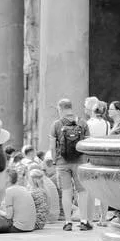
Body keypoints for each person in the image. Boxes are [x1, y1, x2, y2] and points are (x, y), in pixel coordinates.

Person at [50, 98, 90, 230]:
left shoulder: (56, 124)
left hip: (63, 163)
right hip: (80, 162)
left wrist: (55, 160)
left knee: (66, 192)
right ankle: (84, 221)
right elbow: (87, 144)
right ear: (71, 108)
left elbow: (52, 146)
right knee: (82, 192)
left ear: (60, 109)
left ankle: (68, 222)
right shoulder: (82, 123)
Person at [0, 165, 39, 234]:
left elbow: (9, 216)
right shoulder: (23, 188)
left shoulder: (9, 191)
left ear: (8, 178)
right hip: (30, 227)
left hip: (17, 227)